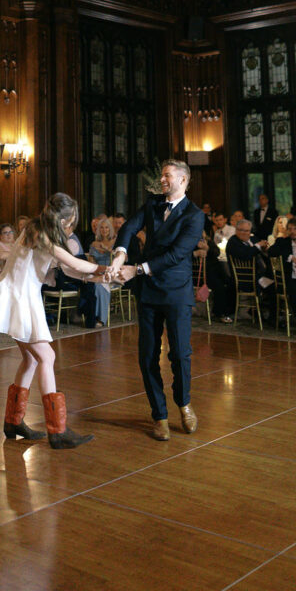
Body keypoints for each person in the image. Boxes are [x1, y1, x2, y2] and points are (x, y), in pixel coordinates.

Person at [0, 193, 104, 449]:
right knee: (47, 358)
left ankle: (13, 422)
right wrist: (104, 269)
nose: (72, 225)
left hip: (21, 296)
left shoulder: (39, 231)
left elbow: (69, 268)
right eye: (72, 220)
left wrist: (97, 275)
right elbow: (74, 262)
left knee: (32, 358)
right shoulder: (40, 233)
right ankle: (58, 430)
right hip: (18, 298)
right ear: (65, 219)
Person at [110, 160, 205, 441]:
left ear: (184, 180)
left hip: (176, 291)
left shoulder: (195, 215)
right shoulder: (153, 204)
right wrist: (120, 254)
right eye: (162, 175)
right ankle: (159, 415)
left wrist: (137, 269)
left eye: (167, 175)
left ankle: (184, 402)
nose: (162, 180)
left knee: (180, 354)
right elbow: (129, 227)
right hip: (149, 292)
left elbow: (177, 255)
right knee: (147, 354)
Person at [226, 218, 274, 323]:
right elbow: (245, 255)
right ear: (236, 230)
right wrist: (257, 246)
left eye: (247, 231)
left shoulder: (253, 239)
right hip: (245, 279)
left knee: (276, 281)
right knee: (272, 286)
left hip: (259, 275)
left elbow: (263, 252)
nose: (244, 233)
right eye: (241, 230)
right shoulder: (232, 242)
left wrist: (264, 249)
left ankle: (268, 313)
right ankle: (269, 317)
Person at [88, 216, 116, 326]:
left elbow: (124, 259)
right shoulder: (94, 244)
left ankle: (101, 318)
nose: (104, 230)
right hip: (98, 272)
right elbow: (91, 262)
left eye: (107, 228)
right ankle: (90, 315)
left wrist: (108, 250)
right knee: (89, 282)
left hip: (112, 274)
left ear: (110, 229)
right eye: (102, 228)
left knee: (100, 284)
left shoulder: (116, 241)